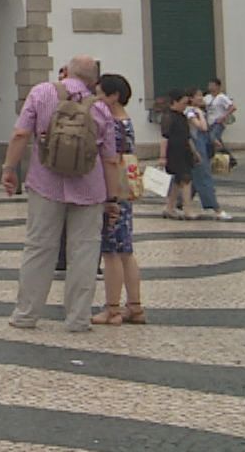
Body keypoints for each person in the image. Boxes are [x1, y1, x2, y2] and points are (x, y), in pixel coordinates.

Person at [2, 54, 124, 332]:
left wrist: (9, 168)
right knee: (84, 253)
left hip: (46, 184)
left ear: (66, 71)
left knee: (38, 248)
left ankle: (26, 315)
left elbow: (20, 135)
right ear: (93, 81)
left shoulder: (41, 92)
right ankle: (78, 319)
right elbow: (110, 159)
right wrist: (112, 198)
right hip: (89, 189)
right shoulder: (102, 109)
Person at [90, 74, 146, 325]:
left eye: (100, 93)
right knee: (126, 250)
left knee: (110, 251)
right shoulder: (128, 121)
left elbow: (108, 158)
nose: (97, 98)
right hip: (126, 188)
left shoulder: (112, 124)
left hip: (113, 189)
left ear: (113, 96)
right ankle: (134, 306)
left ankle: (112, 308)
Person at [184, 92, 231, 220]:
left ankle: (177, 203)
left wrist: (213, 140)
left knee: (192, 178)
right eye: (198, 95)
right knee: (203, 176)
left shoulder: (199, 111)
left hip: (202, 145)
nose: (201, 98)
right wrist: (200, 113)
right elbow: (202, 127)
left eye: (201, 95)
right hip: (196, 147)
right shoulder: (191, 112)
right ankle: (216, 208)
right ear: (190, 98)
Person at [159, 89, 198, 219]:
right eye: (183, 103)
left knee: (177, 181)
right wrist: (162, 156)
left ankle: (170, 207)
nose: (185, 106)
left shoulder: (182, 116)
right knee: (186, 180)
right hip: (174, 153)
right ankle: (187, 209)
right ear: (175, 102)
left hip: (184, 151)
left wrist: (195, 152)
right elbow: (165, 138)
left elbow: (187, 137)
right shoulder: (168, 117)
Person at [209, 78, 236, 153]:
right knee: (218, 141)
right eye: (209, 85)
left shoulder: (222, 97)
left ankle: (221, 156)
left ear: (218, 86)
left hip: (218, 123)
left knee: (212, 138)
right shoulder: (211, 97)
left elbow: (233, 107)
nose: (210, 87)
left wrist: (223, 117)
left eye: (212, 85)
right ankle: (230, 159)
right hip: (211, 123)